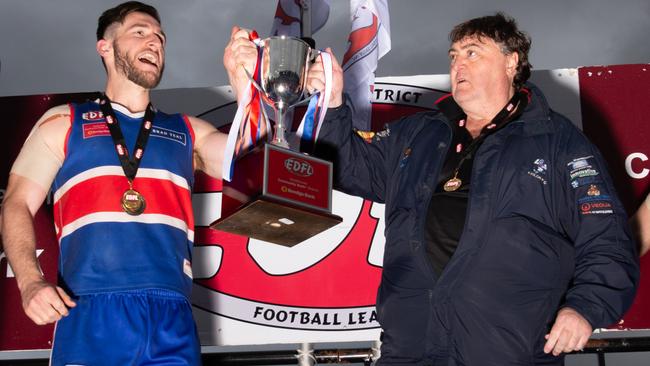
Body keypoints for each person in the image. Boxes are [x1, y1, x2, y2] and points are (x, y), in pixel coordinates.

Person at [226, 13, 639, 365]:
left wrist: (584, 307)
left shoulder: (559, 142)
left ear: (513, 62)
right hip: (411, 345)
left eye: (473, 52)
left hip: (508, 347)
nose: (458, 64)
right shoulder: (418, 133)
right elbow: (351, 169)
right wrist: (333, 105)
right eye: (454, 55)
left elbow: (607, 241)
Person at [0, 2, 248, 365]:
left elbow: (243, 154)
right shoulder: (65, 122)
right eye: (141, 32)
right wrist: (29, 282)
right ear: (105, 46)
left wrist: (246, 90)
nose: (155, 43)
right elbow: (17, 203)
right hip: (91, 309)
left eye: (161, 37)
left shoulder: (187, 131)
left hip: (172, 317)